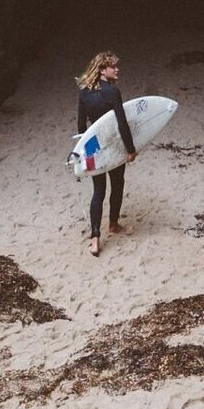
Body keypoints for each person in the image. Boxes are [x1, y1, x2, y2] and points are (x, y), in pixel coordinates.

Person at [75, 50, 137, 257]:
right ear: (103, 70)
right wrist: (130, 149)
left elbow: (81, 124)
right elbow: (121, 123)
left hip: (94, 147)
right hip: (112, 145)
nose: (117, 69)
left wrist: (84, 152)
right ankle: (113, 225)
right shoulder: (112, 91)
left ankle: (95, 239)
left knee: (98, 190)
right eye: (113, 67)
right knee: (117, 183)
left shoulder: (84, 91)